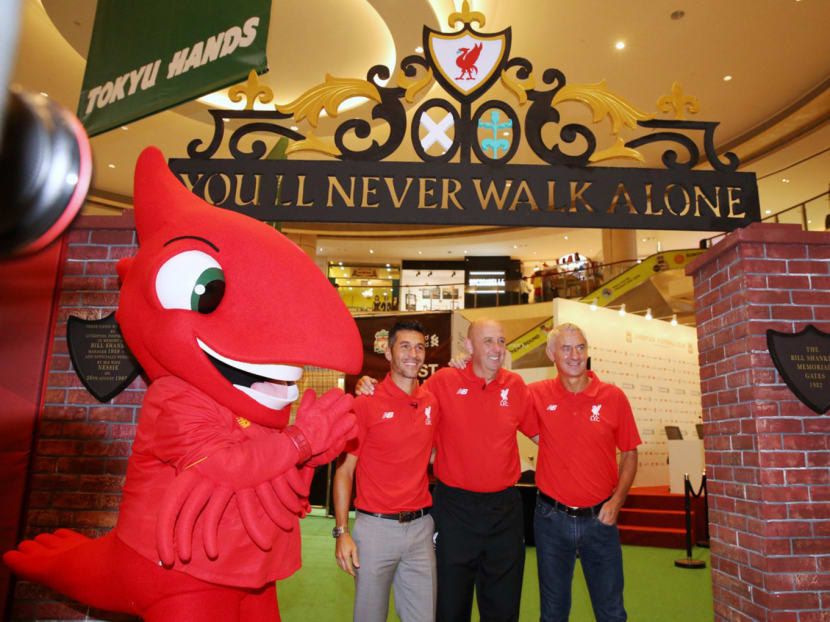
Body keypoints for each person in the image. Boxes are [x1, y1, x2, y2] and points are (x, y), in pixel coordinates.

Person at [357, 318, 535, 622]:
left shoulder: (516, 386)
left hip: (504, 511)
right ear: (469, 346)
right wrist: (368, 386)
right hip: (454, 510)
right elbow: (404, 396)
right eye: (487, 341)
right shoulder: (443, 382)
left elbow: (543, 434)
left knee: (504, 608)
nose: (497, 348)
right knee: (449, 607)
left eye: (501, 341)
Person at [527, 323, 641, 622]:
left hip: (600, 520)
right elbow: (495, 395)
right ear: (551, 353)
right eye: (566, 348)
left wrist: (617, 501)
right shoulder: (534, 394)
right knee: (553, 613)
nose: (575, 355)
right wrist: (465, 364)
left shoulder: (613, 396)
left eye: (580, 347)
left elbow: (630, 453)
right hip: (551, 519)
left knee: (611, 612)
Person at [334, 320, 440, 622]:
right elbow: (344, 472)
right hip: (375, 531)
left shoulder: (431, 402)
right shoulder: (366, 403)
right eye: (404, 347)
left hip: (421, 529)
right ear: (389, 353)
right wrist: (341, 532)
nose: (413, 354)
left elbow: (432, 454)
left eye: (419, 347)